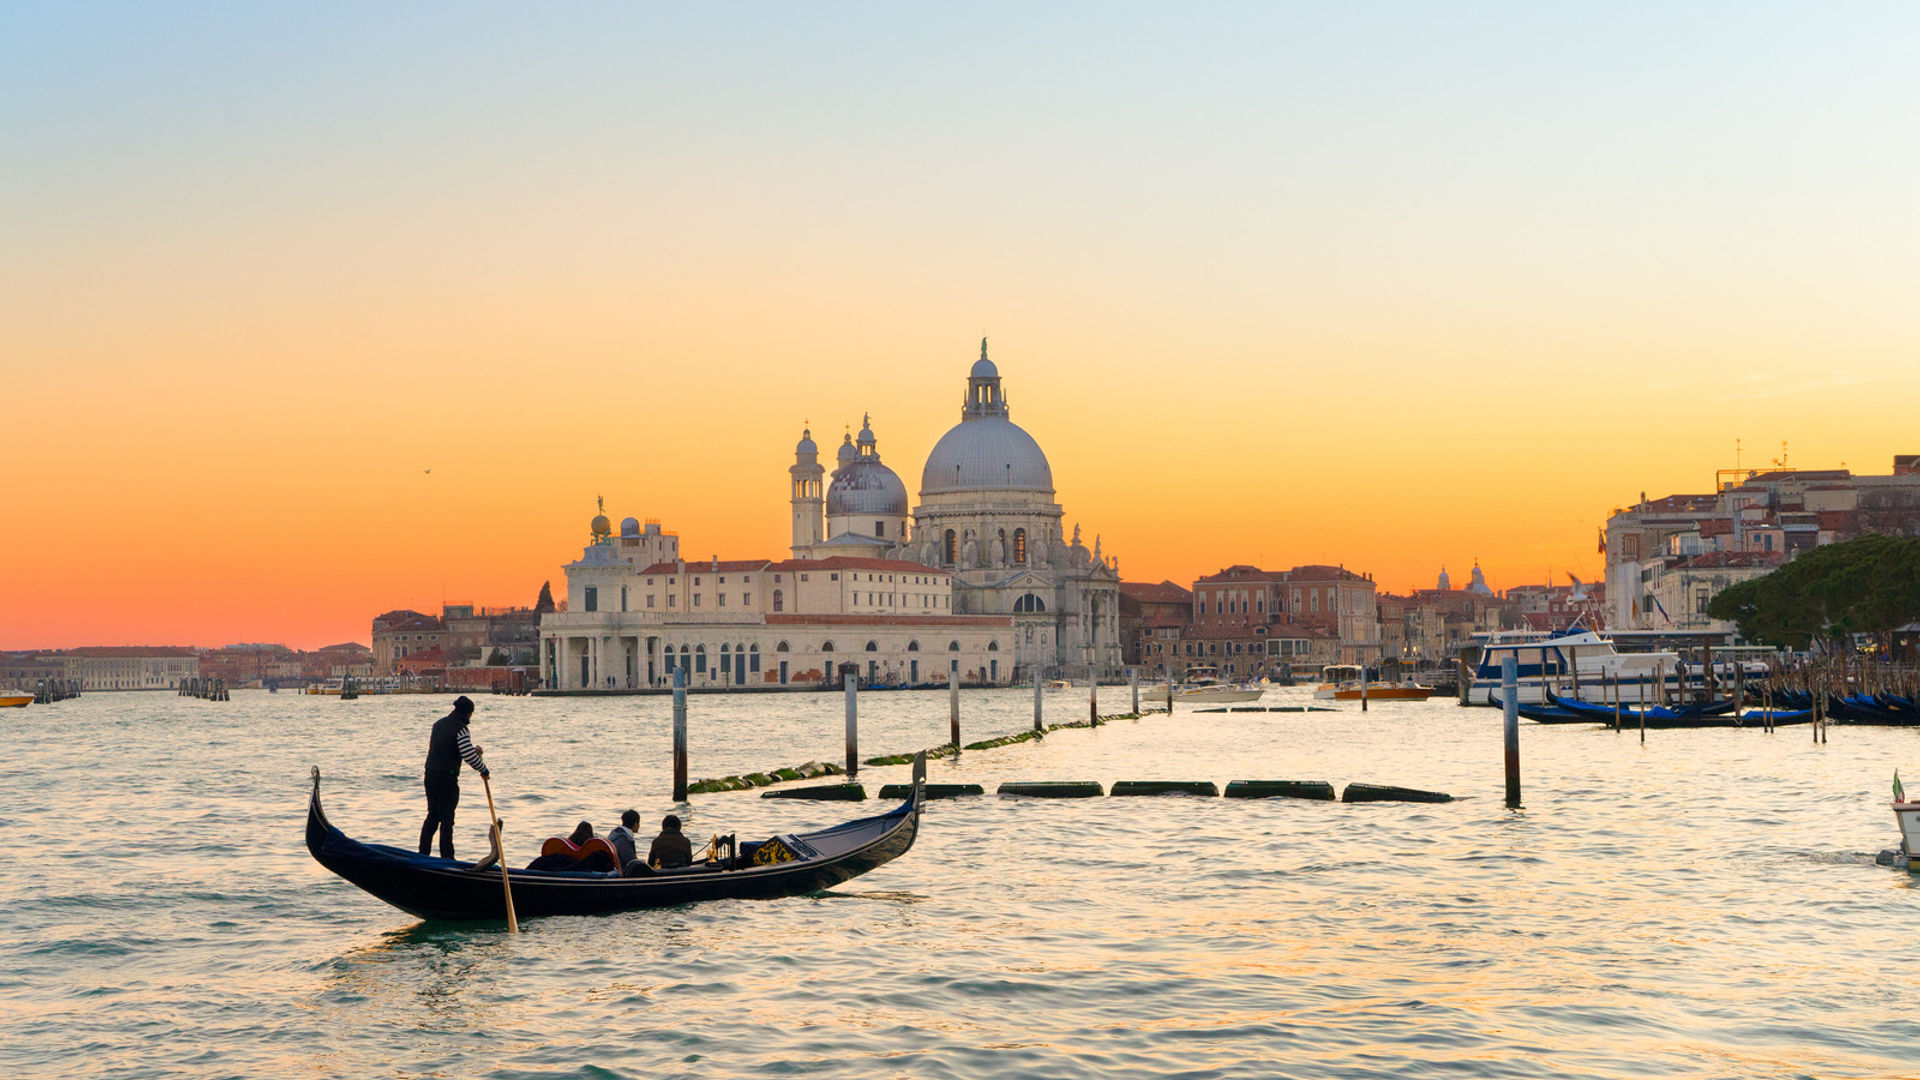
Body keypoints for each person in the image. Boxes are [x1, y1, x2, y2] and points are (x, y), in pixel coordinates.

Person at [418, 695, 488, 860]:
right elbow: (467, 755)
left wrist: (473, 750)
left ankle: (422, 854)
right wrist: (484, 770)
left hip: (430, 774)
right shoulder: (461, 729)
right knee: (447, 819)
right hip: (447, 778)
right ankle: (447, 858)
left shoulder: (438, 724)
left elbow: (450, 748)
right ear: (468, 713)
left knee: (433, 815)